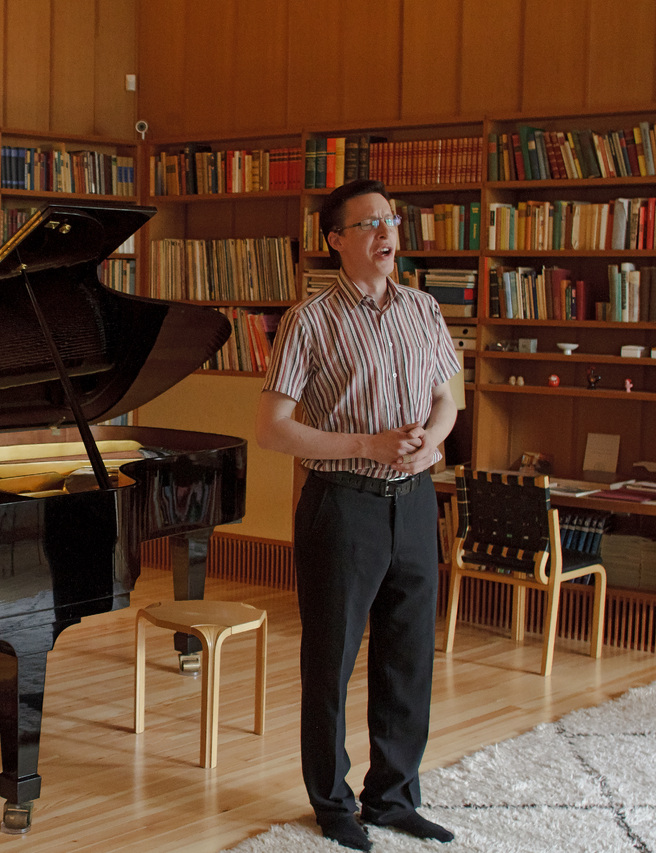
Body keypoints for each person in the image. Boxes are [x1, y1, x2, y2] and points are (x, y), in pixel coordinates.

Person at [255, 180, 460, 850]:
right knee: (331, 660)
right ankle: (333, 803)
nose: (385, 232)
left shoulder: (426, 310)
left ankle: (394, 796)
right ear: (335, 239)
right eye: (368, 223)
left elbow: (447, 401)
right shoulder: (309, 320)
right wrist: (367, 445)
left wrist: (430, 441)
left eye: (391, 220)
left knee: (408, 658)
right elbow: (274, 427)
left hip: (414, 503)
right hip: (341, 506)